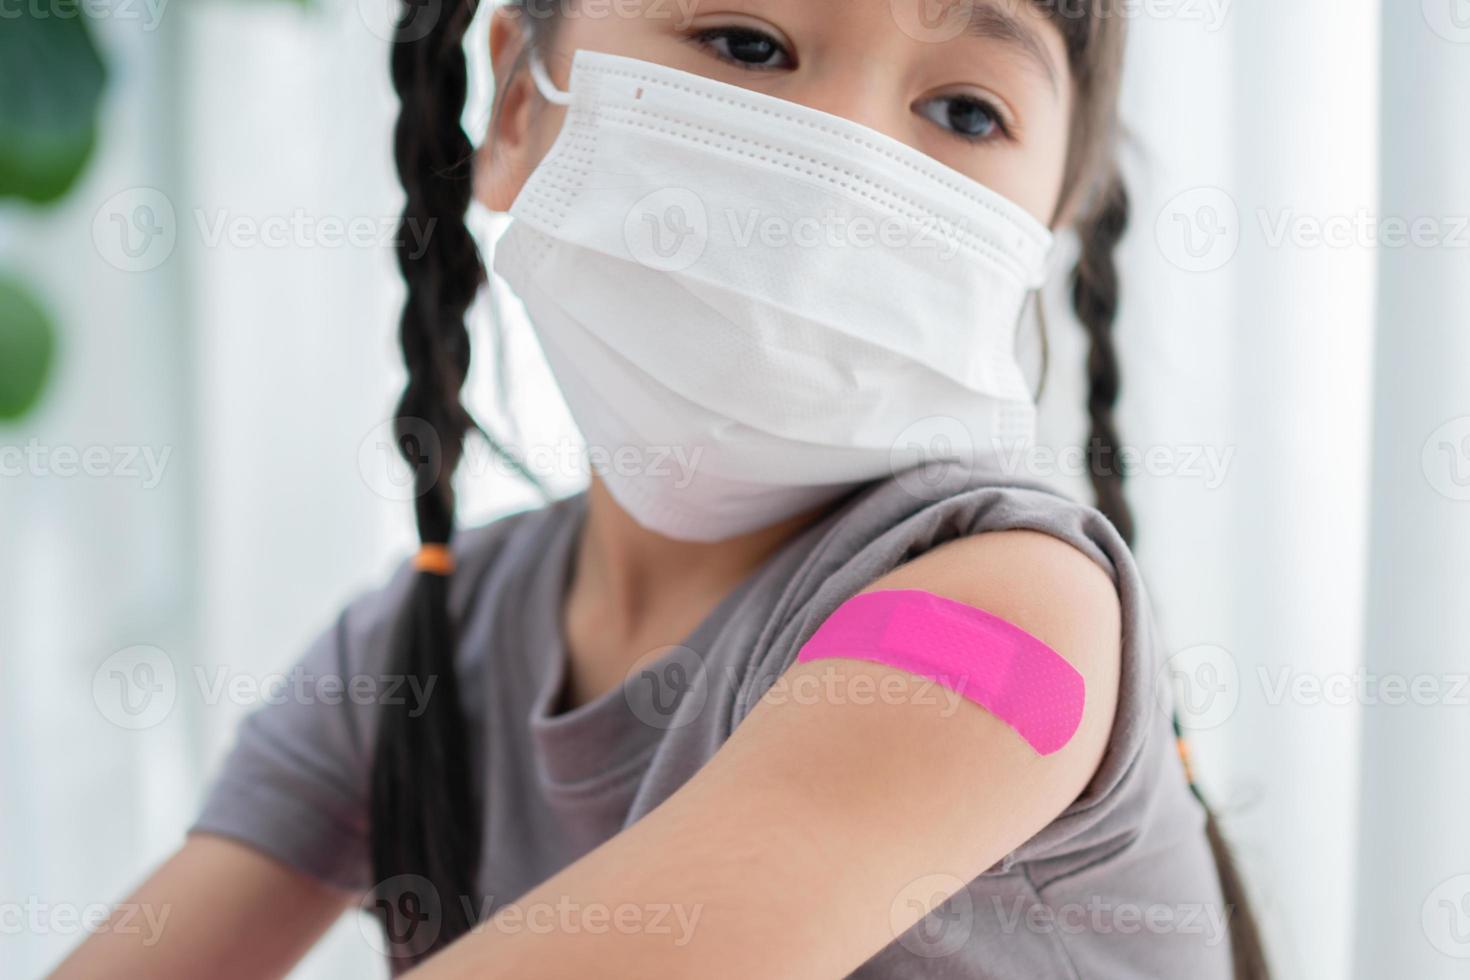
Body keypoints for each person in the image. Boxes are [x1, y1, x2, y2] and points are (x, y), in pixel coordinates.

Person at [55, 1, 1267, 976]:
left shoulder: (1013, 608)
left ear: (1047, 229)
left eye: (963, 107)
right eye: (747, 43)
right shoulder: (426, 636)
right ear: (522, 109)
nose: (846, 169)